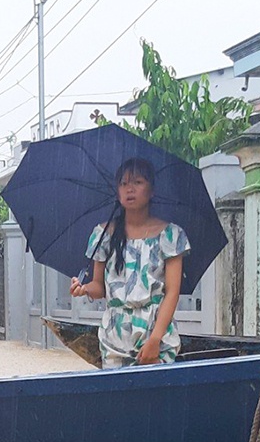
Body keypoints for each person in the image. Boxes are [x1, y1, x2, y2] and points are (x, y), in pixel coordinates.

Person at [69, 158, 189, 368]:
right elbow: (99, 287)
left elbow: (172, 292)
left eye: (137, 182)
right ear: (117, 192)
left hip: (156, 333)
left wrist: (155, 340)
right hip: (115, 337)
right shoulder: (103, 234)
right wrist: (84, 288)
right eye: (123, 183)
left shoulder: (171, 235)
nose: (129, 189)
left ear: (152, 190)